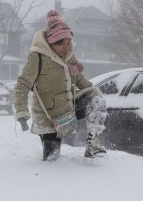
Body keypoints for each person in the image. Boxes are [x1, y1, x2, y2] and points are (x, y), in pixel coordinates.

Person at [14, 10, 107, 161]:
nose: (67, 47)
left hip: (69, 108)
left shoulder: (69, 56)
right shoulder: (37, 57)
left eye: (68, 43)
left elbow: (80, 80)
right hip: (49, 117)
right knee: (52, 158)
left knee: (97, 101)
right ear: (52, 42)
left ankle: (93, 145)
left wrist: (95, 94)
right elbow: (22, 84)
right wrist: (22, 112)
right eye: (62, 43)